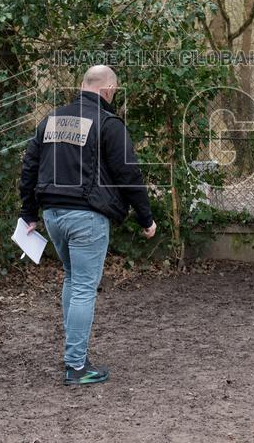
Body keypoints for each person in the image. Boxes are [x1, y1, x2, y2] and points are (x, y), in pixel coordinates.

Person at [19, 64, 156, 386]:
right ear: (109, 90)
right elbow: (128, 174)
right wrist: (146, 217)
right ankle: (76, 366)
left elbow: (30, 166)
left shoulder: (51, 120)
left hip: (52, 215)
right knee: (83, 286)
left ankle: (74, 354)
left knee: (72, 279)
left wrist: (29, 212)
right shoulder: (108, 123)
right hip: (86, 217)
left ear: (83, 85)